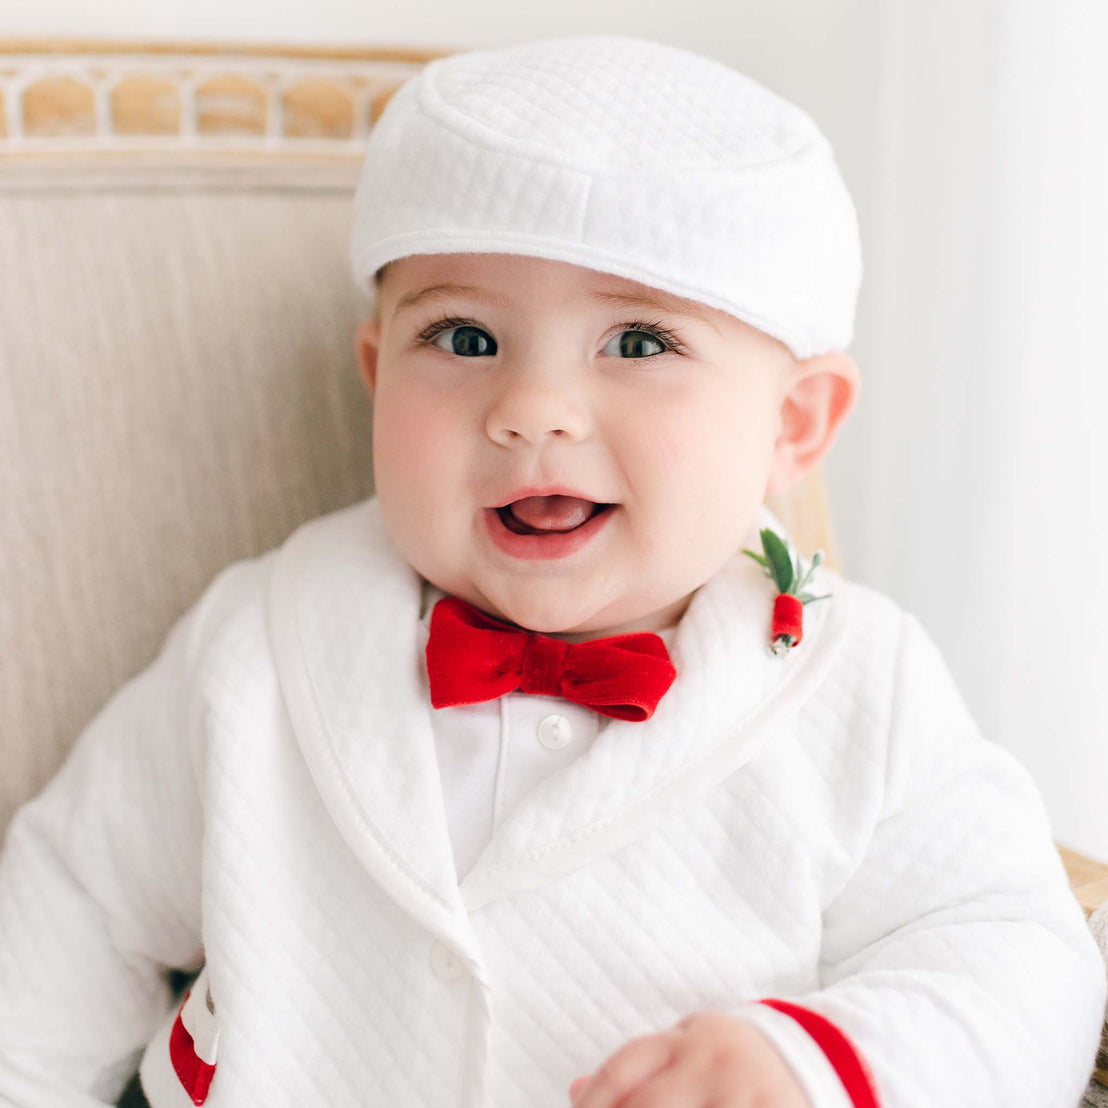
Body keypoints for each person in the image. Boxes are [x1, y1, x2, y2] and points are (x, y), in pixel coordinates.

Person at [0, 32, 1104, 1108]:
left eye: (638, 344)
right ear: (378, 376)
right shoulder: (259, 642)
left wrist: (816, 1066)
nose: (530, 410)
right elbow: (69, 904)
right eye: (465, 341)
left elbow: (1016, 957)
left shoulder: (860, 686)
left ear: (793, 424)